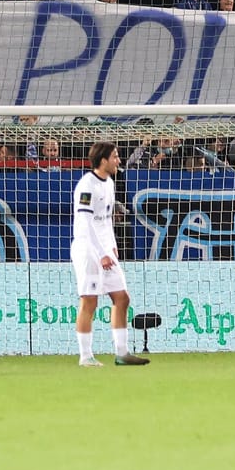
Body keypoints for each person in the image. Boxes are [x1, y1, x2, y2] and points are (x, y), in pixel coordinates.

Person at [72, 142, 148, 367]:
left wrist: (111, 247)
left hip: (105, 250)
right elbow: (85, 224)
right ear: (103, 160)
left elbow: (106, 221)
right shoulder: (87, 185)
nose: (118, 161)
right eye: (115, 157)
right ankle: (85, 357)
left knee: (122, 297)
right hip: (88, 250)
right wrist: (100, 253)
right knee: (89, 301)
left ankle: (122, 353)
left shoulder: (110, 183)